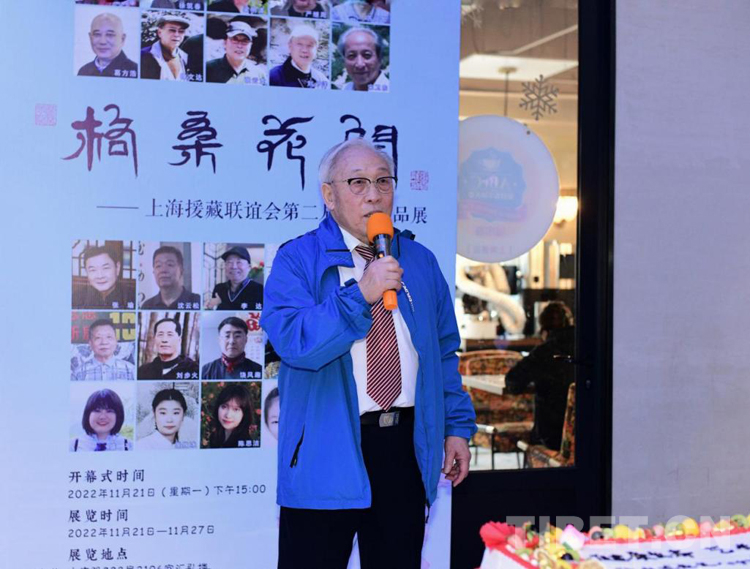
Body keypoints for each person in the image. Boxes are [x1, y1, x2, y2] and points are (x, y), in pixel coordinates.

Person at [261, 138, 476, 568]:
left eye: (383, 182)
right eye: (357, 182)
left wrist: (456, 426)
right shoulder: (297, 259)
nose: (374, 194)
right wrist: (361, 293)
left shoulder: (419, 261)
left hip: (403, 448)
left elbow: (443, 354)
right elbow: (296, 344)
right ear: (329, 195)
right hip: (326, 448)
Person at [504, 301, 575, 451]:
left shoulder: (544, 352)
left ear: (544, 330)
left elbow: (513, 382)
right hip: (587, 435)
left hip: (551, 438)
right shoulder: (588, 348)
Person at [73, 245, 135, 309]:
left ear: (117, 268)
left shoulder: (133, 296)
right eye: (93, 270)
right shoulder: (76, 298)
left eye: (106, 268)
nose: (100, 276)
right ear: (86, 271)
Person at [78, 13, 138, 78]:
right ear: (90, 37)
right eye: (97, 34)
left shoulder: (135, 70)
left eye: (110, 35)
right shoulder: (84, 71)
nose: (102, 42)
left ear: (122, 39)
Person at [269, 25, 328, 89]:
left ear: (316, 49)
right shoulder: (274, 77)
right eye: (299, 44)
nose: (304, 50)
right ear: (290, 46)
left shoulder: (321, 80)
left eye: (310, 45)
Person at [206, 246, 264, 310]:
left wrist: (221, 304)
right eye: (229, 262)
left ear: (249, 267)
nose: (234, 267)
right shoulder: (219, 288)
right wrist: (211, 307)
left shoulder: (259, 290)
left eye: (239, 262)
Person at [140, 15, 192, 81]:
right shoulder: (143, 56)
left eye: (181, 31)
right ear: (159, 33)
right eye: (172, 30)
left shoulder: (185, 58)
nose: (177, 35)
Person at [206, 383, 257, 448]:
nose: (228, 415)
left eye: (236, 409)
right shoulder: (214, 437)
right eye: (224, 407)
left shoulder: (245, 444)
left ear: (245, 414)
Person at [338, 27, 388, 92]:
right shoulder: (345, 89)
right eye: (352, 56)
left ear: (380, 59)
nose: (359, 64)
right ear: (343, 61)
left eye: (367, 55)